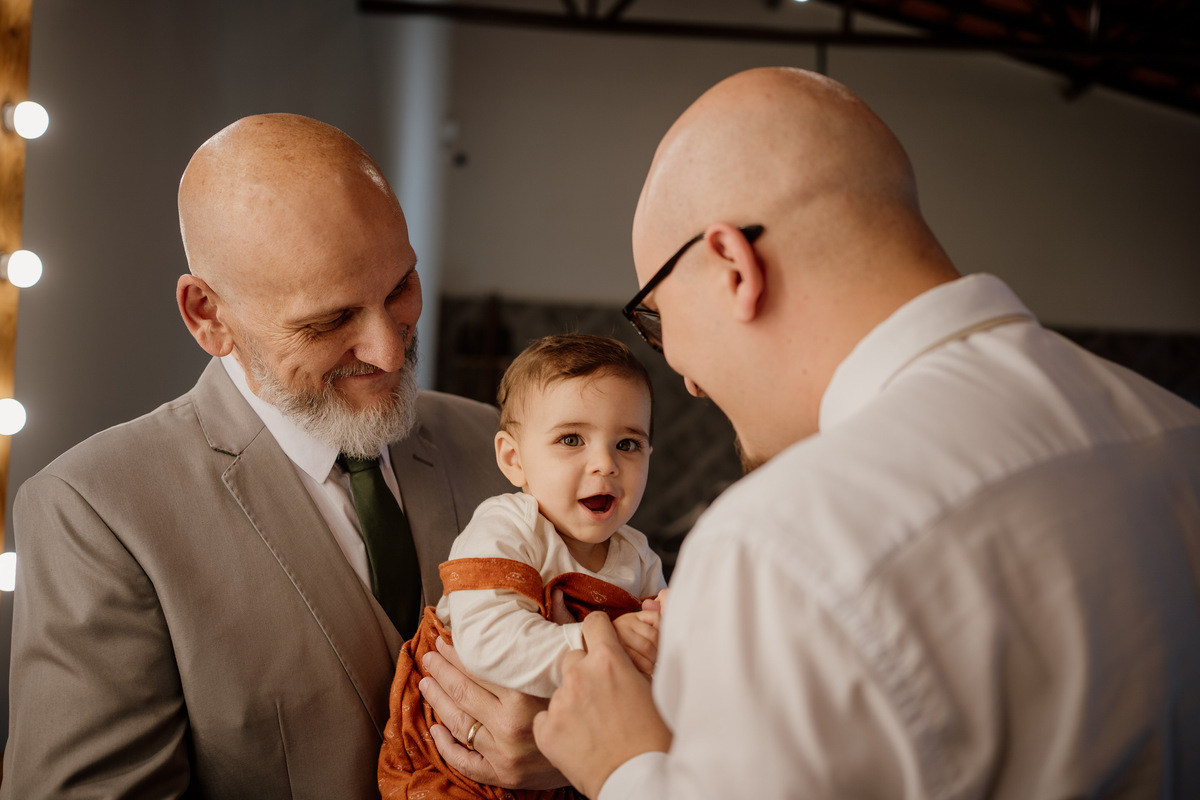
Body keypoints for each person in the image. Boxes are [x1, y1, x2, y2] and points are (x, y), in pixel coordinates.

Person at [531, 67, 1200, 799]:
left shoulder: (780, 544)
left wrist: (625, 766)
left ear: (732, 265)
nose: (685, 376)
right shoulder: (1174, 428)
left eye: (656, 318)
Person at [3, 114, 560, 798]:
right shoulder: (96, 513)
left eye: (400, 290)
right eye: (329, 322)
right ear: (208, 314)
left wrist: (571, 755)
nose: (389, 351)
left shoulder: (505, 449)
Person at [379, 333, 668, 800]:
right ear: (514, 459)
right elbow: (487, 642)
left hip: (575, 761)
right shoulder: (508, 527)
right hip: (454, 761)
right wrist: (604, 644)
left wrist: (673, 627)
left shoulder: (638, 554)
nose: (605, 464)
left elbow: (662, 668)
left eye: (629, 444)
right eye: (571, 439)